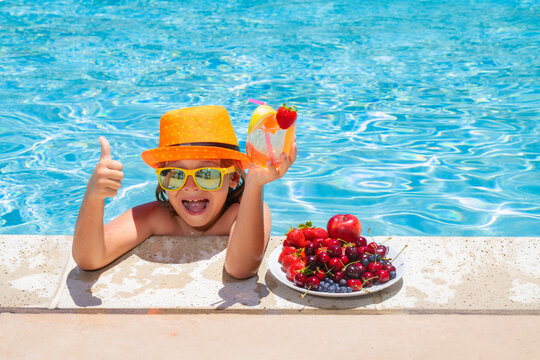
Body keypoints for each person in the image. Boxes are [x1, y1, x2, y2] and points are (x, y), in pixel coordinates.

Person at [73, 105, 296, 279]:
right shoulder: (155, 217)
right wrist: (93, 196)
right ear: (162, 178)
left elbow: (240, 269)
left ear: (234, 177)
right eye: (176, 174)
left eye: (207, 174)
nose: (191, 186)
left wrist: (256, 185)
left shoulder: (244, 214)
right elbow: (90, 258)